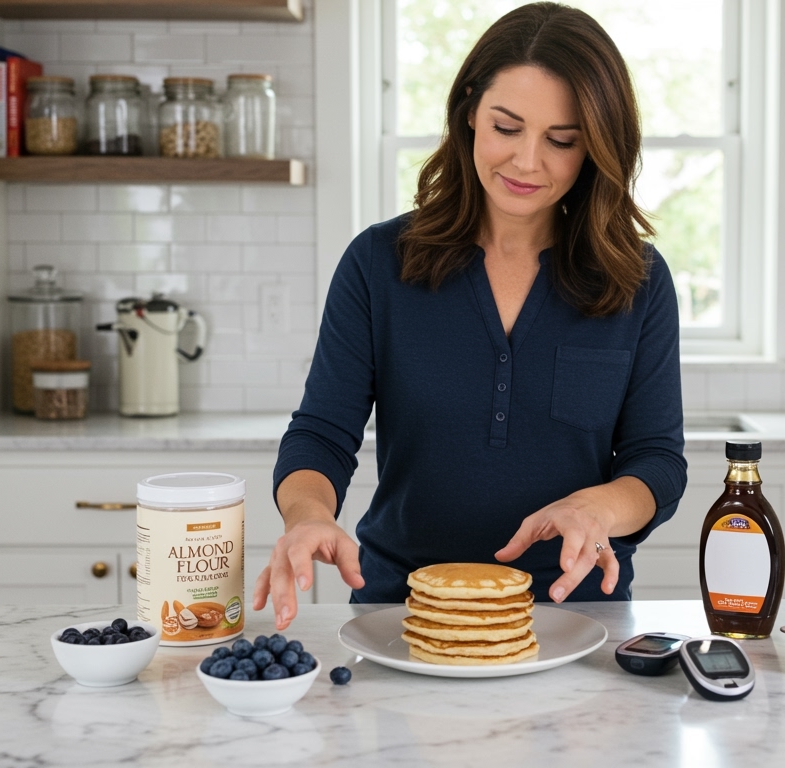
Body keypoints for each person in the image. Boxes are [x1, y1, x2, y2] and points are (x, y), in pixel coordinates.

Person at [254, 2, 686, 631]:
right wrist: (310, 515)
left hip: (575, 616)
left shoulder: (637, 280)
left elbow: (656, 463)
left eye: (561, 141)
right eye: (506, 128)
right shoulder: (380, 263)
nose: (527, 162)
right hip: (401, 614)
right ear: (468, 115)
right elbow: (321, 434)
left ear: (596, 148)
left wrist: (597, 509)